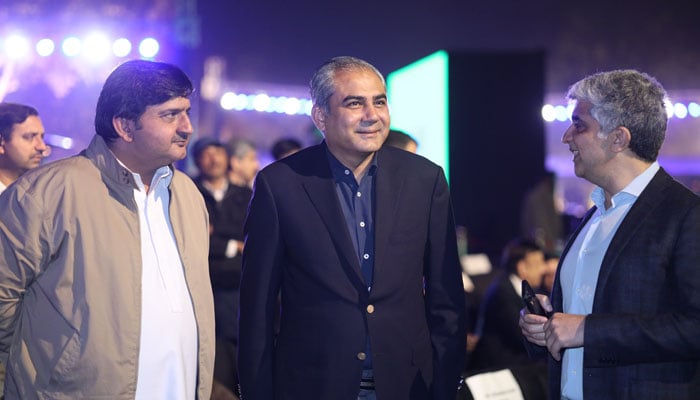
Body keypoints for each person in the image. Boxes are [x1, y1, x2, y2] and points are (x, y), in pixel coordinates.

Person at [237, 56, 466, 399]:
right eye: (355, 103)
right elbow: (257, 307)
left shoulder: (425, 179)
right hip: (312, 386)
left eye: (380, 102)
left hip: (407, 385)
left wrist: (445, 385)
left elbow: (446, 298)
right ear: (321, 116)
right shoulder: (279, 184)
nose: (372, 115)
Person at [0, 60, 215, 399]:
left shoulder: (188, 194)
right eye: (170, 115)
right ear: (125, 126)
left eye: (186, 112)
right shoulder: (47, 193)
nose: (187, 127)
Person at [519, 70, 700, 399]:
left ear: (618, 138)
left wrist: (586, 330)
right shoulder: (592, 217)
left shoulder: (687, 215)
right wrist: (548, 327)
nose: (566, 137)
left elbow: (694, 326)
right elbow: (580, 322)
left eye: (579, 125)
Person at [191, 136, 251, 399]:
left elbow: (253, 237)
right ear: (197, 160)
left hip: (241, 291)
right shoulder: (189, 193)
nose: (213, 159)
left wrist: (215, 238)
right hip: (206, 291)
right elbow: (194, 239)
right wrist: (233, 245)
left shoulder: (245, 195)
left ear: (228, 159)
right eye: (206, 154)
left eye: (218, 153)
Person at [470, 238, 547, 372]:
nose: (543, 269)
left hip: (517, 364)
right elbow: (522, 335)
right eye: (538, 263)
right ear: (522, 267)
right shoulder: (502, 292)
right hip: (498, 369)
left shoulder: (528, 289)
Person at [0, 102, 51, 194]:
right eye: (29, 137)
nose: (42, 147)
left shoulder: (40, 195)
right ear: (1, 143)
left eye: (42, 137)